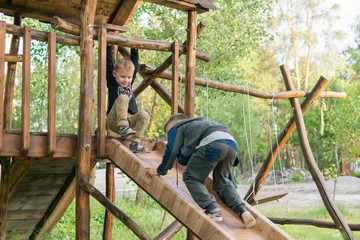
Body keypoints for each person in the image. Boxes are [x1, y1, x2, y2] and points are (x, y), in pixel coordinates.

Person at [145, 113, 256, 228]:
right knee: (222, 182)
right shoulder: (200, 125)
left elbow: (172, 151)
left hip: (212, 144)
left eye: (169, 132)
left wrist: (160, 170)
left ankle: (212, 210)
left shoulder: (177, 127)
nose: (170, 136)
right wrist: (232, 184)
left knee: (191, 177)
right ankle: (243, 210)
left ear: (174, 124)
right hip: (231, 144)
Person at [106, 45, 150, 153]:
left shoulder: (129, 83)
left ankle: (135, 143)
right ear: (114, 73)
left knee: (144, 115)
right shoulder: (112, 81)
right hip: (114, 120)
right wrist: (107, 45)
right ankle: (123, 127)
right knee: (123, 98)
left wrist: (134, 49)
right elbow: (109, 62)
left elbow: (134, 65)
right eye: (122, 77)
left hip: (129, 120)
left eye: (129, 77)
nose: (126, 80)